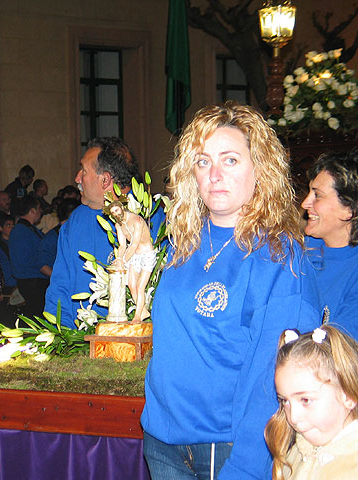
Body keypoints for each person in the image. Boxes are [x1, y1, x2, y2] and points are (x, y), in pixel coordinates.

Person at [140, 103, 321, 480]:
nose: (215, 175)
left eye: (231, 160)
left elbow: (279, 377)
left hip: (226, 448)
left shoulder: (280, 257)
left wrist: (246, 467)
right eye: (203, 162)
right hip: (162, 441)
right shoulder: (183, 242)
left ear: (260, 169)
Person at [45, 137, 141, 328]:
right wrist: (64, 340)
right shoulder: (76, 222)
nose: (77, 178)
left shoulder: (150, 218)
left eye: (84, 171)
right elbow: (59, 289)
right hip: (82, 344)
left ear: (105, 180)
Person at [265, 325, 358, 479]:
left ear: (347, 396)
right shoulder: (296, 454)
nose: (293, 417)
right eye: (285, 401)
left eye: (305, 400)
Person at [301, 150, 358, 339]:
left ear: (348, 209)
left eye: (317, 195)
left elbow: (341, 350)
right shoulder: (299, 249)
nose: (305, 203)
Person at [107, 200, 156, 321]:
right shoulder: (119, 225)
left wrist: (122, 261)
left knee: (140, 287)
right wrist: (119, 258)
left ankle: (137, 316)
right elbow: (123, 245)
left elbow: (134, 244)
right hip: (134, 256)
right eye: (113, 213)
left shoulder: (137, 220)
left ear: (122, 208)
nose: (116, 214)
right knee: (131, 285)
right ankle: (143, 311)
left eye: (117, 210)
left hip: (146, 254)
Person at [8, 195, 48, 318]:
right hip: (31, 281)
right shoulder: (21, 231)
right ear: (32, 210)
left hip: (34, 280)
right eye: (39, 208)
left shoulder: (28, 229)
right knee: (36, 318)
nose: (41, 212)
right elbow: (26, 259)